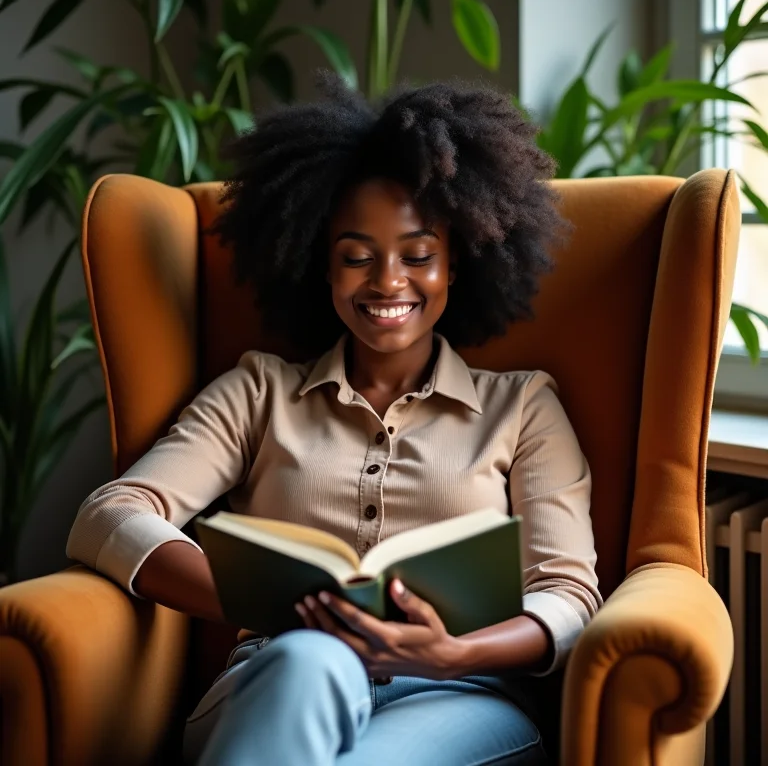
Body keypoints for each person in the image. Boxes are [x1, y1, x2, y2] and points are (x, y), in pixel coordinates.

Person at [66, 75, 602, 766]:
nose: (386, 282)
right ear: (321, 264)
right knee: (310, 660)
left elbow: (567, 596)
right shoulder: (260, 391)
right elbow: (109, 515)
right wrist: (273, 607)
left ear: (457, 265)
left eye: (417, 257)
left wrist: (452, 652)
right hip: (278, 678)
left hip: (457, 693)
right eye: (357, 257)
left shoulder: (524, 405)